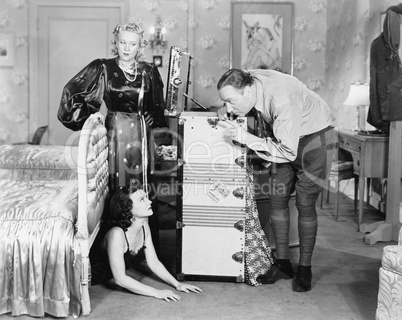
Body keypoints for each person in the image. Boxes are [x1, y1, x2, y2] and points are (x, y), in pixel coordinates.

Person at [217, 68, 336, 292]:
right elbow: (281, 141)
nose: (228, 108)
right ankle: (283, 264)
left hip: (316, 139)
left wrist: (246, 138)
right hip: (286, 138)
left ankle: (304, 268)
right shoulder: (248, 78)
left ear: (249, 91)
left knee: (304, 202)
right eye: (225, 102)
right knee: (277, 197)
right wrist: (227, 111)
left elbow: (287, 152)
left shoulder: (282, 100)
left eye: (231, 102)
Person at [58, 21, 168, 196]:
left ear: (140, 46)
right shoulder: (103, 67)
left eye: (132, 44)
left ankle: (142, 222)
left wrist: (151, 116)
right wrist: (91, 119)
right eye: (122, 42)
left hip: (142, 133)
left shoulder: (149, 70)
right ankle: (119, 221)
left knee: (142, 180)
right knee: (119, 179)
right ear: (116, 43)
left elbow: (157, 104)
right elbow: (73, 92)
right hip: (116, 131)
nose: (126, 48)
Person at [89, 185, 202, 301]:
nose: (149, 202)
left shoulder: (143, 226)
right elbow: (120, 279)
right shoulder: (116, 234)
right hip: (90, 279)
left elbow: (153, 261)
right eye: (142, 200)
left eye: (146, 198)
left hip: (107, 277)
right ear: (128, 209)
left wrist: (177, 284)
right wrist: (156, 292)